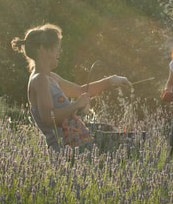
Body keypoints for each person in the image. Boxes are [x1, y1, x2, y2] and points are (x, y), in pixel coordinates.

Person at [11, 24, 130, 152]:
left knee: (114, 134)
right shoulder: (40, 80)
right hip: (66, 149)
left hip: (77, 142)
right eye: (56, 48)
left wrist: (110, 81)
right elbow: (48, 117)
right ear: (42, 49)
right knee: (127, 144)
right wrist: (77, 105)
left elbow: (81, 91)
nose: (59, 52)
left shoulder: (51, 78)